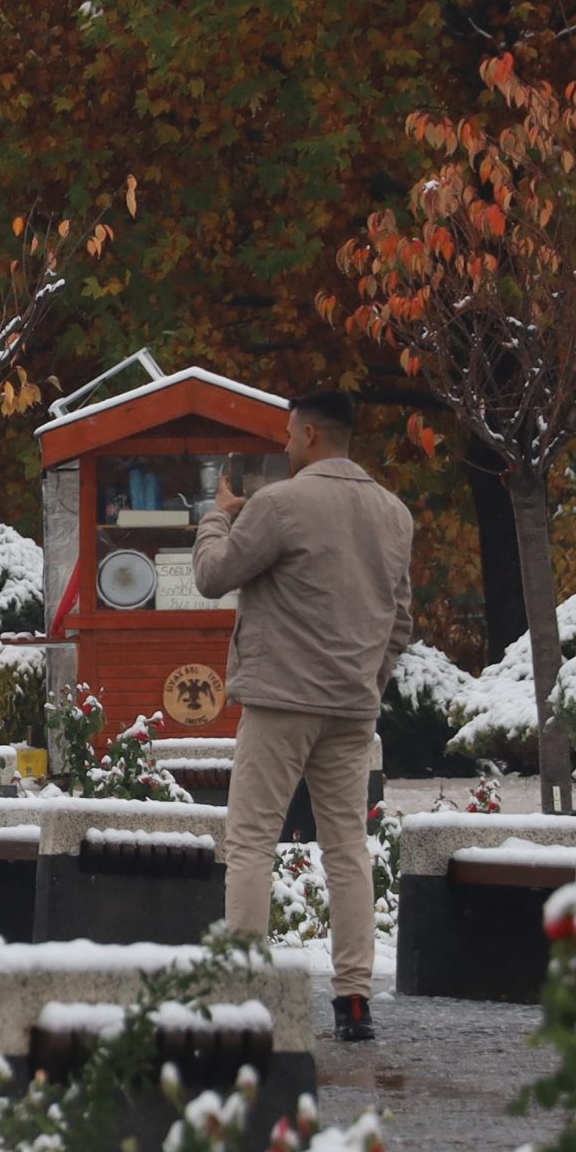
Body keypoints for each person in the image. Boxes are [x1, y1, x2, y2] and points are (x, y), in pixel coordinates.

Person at [192, 388, 413, 1043]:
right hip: (351, 707)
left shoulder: (280, 504)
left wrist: (216, 517)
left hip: (280, 700)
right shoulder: (394, 513)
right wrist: (368, 678)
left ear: (312, 434)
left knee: (252, 838)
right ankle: (352, 999)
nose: (285, 446)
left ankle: (245, 993)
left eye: (290, 435)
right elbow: (400, 619)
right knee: (347, 845)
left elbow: (212, 576)